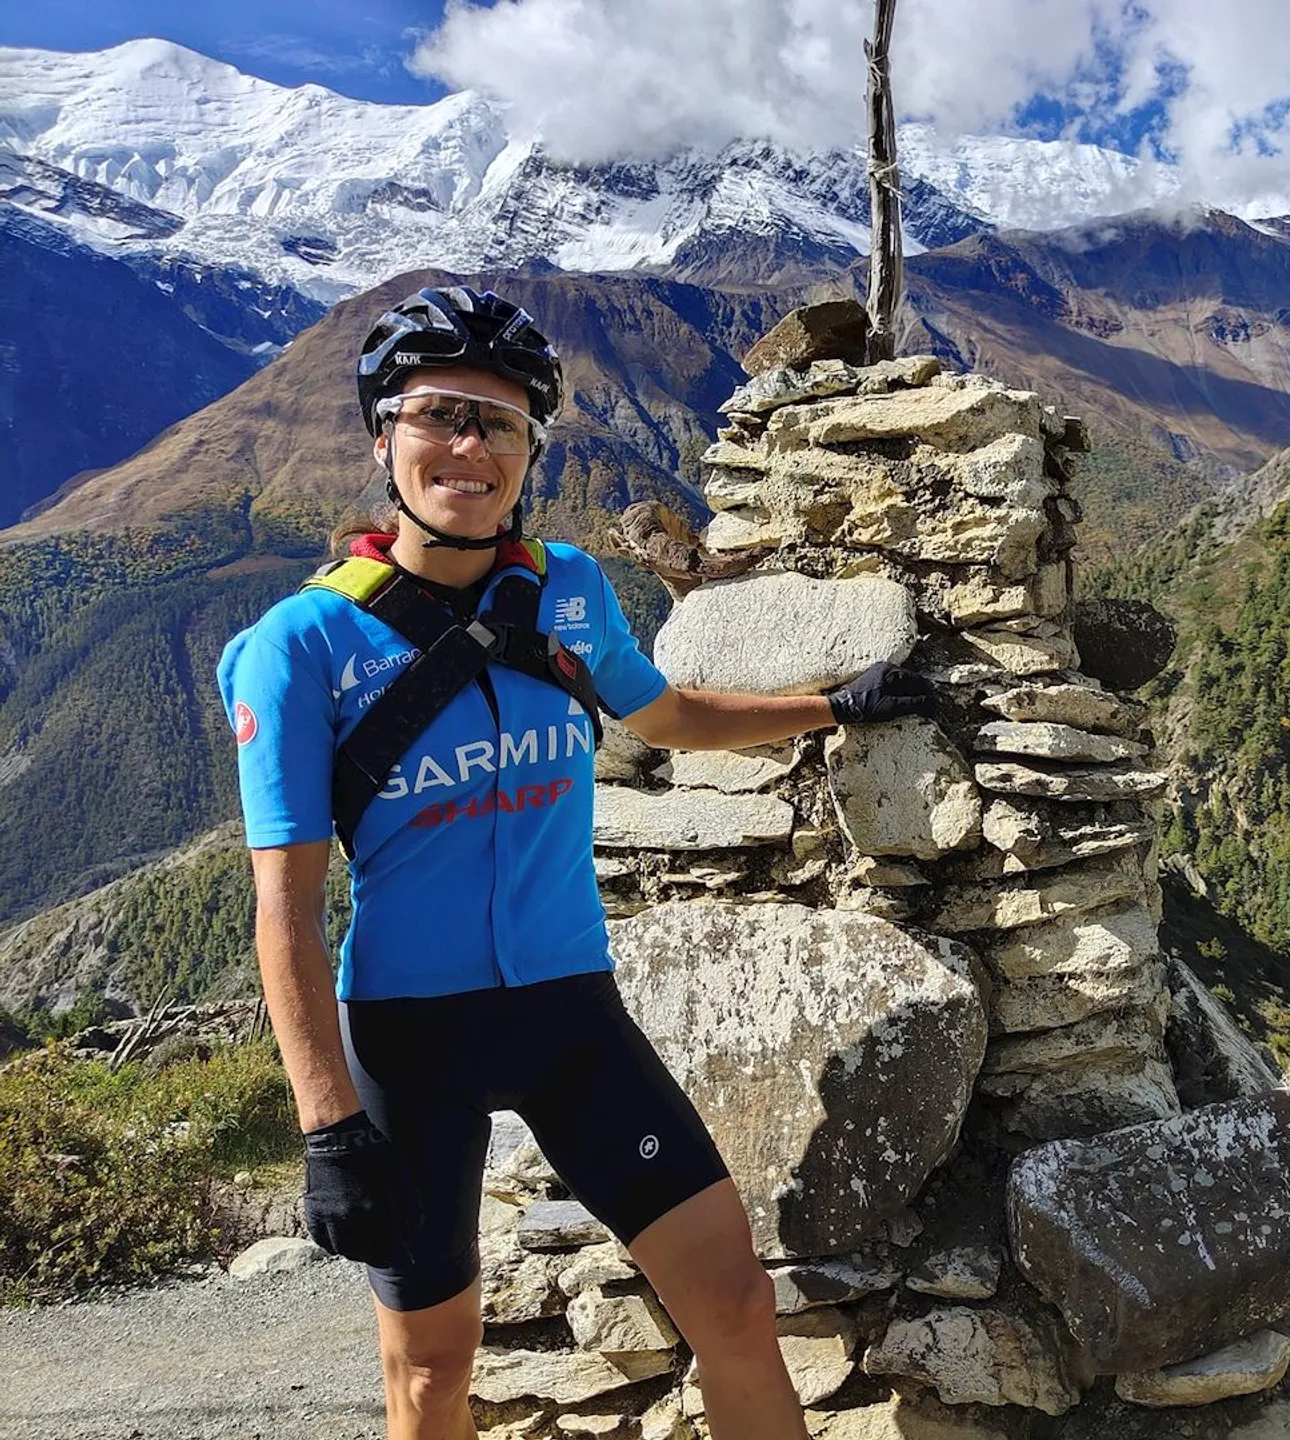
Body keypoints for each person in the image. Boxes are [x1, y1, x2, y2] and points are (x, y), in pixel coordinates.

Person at [217, 285, 938, 1440]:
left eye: (502, 424)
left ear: (532, 452)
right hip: (409, 1035)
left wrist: (831, 706)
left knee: (737, 1306)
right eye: (440, 415)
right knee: (432, 1373)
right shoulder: (303, 646)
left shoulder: (567, 591)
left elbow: (668, 716)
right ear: (383, 438)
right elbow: (286, 910)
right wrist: (328, 1126)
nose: (471, 448)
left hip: (569, 1012)